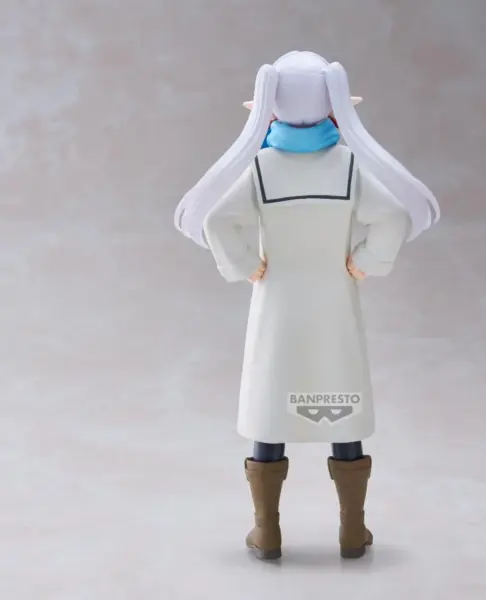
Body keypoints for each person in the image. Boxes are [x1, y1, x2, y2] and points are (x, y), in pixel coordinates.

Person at [174, 50, 439, 560]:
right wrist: (366, 259)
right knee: (342, 411)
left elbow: (217, 221)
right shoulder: (349, 166)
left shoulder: (260, 168)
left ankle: (267, 532)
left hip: (278, 306)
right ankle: (352, 531)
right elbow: (393, 217)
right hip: (335, 306)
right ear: (334, 106)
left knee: (270, 413)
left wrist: (246, 263)